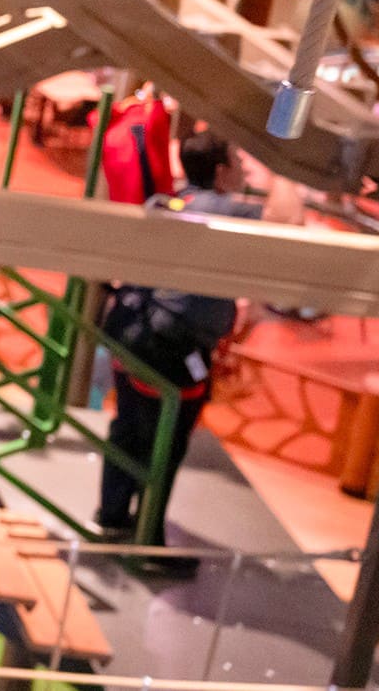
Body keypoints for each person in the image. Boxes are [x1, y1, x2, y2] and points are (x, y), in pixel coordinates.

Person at [93, 129, 260, 539]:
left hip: (130, 330)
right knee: (166, 442)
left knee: (129, 429)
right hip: (174, 348)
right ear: (221, 171)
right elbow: (289, 226)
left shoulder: (165, 203)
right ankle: (148, 534)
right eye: (239, 161)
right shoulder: (231, 213)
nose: (245, 169)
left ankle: (112, 514)